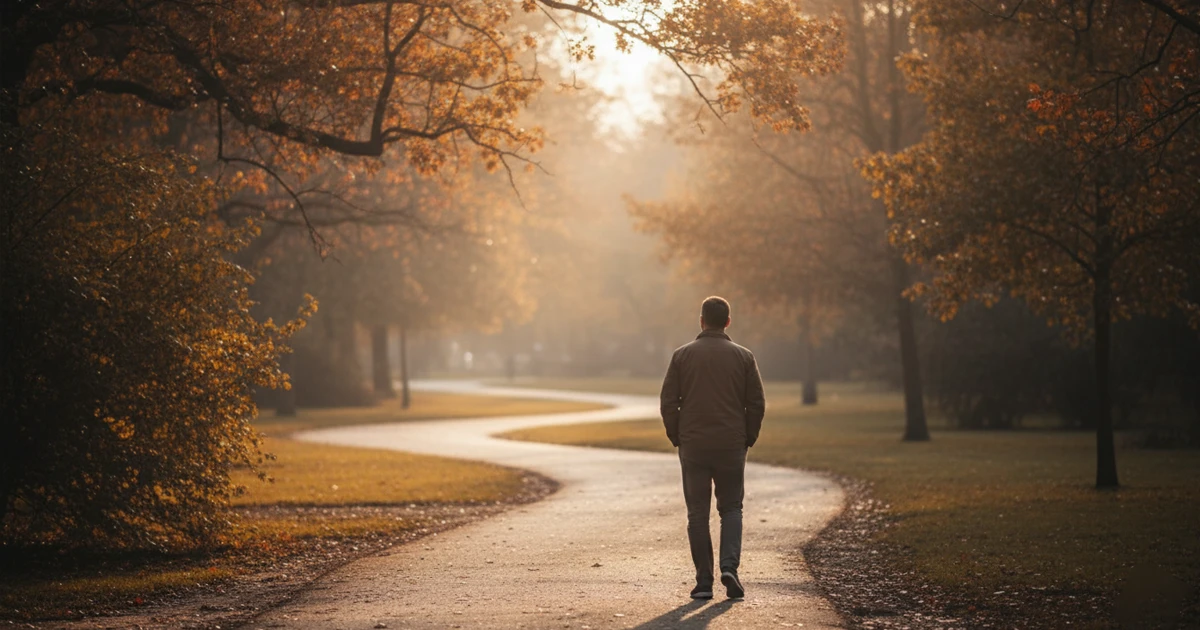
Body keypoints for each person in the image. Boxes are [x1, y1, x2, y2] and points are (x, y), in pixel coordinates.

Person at [660, 296, 766, 600]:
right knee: (731, 508)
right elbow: (755, 403)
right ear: (728, 322)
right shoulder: (744, 357)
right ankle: (729, 567)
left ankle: (704, 581)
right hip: (731, 443)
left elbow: (669, 402)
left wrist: (677, 436)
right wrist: (748, 437)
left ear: (701, 320)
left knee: (697, 513)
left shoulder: (682, 356)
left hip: (693, 443)